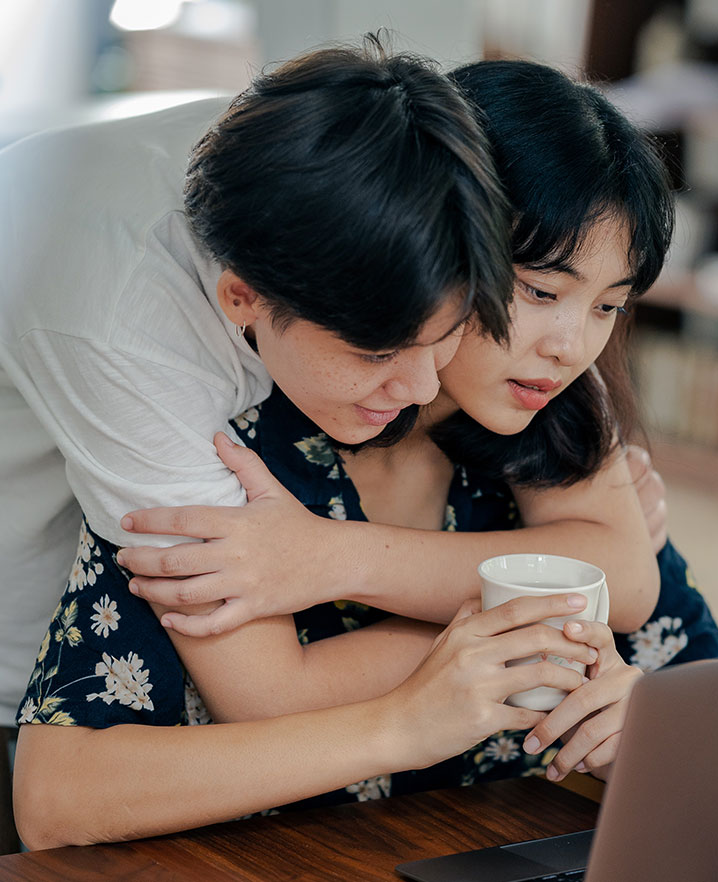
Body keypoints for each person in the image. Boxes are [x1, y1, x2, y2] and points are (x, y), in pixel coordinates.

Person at [14, 60, 718, 847]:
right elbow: (64, 790)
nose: (570, 349)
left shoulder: (540, 427)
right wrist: (463, 679)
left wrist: (625, 732)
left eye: (610, 308)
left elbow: (704, 705)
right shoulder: (223, 447)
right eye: (539, 291)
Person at [0, 39, 515, 732]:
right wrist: (520, 635)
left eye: (447, 335)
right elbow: (263, 694)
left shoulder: (349, 156)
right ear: (242, 299)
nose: (424, 386)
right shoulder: (123, 323)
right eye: (378, 353)